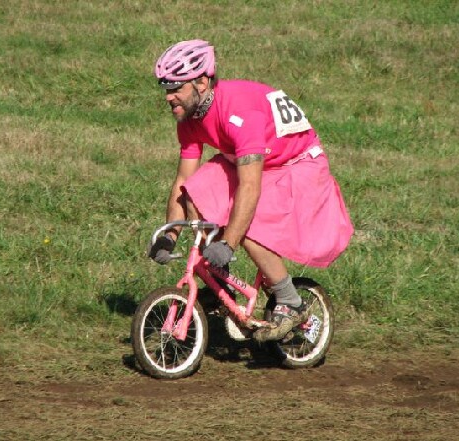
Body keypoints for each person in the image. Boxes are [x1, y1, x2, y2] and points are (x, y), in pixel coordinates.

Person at [149, 39, 353, 341]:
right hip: (254, 161)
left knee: (245, 222)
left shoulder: (239, 113)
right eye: (166, 89)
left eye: (176, 88)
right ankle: (221, 287)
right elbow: (183, 180)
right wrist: (169, 234)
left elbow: (250, 187)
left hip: (298, 165)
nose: (169, 97)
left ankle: (290, 301)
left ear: (202, 82)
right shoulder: (189, 117)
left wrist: (228, 243)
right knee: (196, 192)